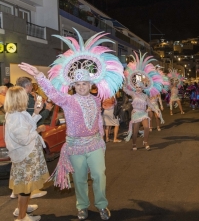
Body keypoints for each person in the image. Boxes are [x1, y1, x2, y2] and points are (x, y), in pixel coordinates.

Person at [19, 30, 125, 220]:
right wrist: (39, 76)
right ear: (74, 85)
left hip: (94, 144)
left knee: (100, 175)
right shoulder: (67, 100)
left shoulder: (96, 100)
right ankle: (82, 206)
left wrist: (102, 139)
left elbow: (99, 120)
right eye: (78, 84)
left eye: (85, 83)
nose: (82, 86)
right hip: (75, 146)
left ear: (90, 84)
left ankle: (101, 205)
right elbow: (52, 93)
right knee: (80, 179)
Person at [4, 86, 49, 221]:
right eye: (25, 95)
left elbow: (28, 125)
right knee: (25, 187)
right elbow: (24, 139)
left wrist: (36, 112)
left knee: (25, 185)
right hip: (26, 155)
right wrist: (38, 131)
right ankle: (22, 217)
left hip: (26, 154)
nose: (28, 97)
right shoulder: (16, 116)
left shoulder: (17, 113)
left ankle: (22, 209)